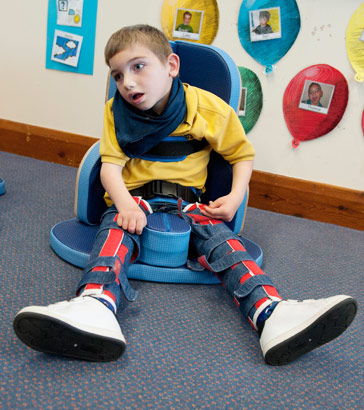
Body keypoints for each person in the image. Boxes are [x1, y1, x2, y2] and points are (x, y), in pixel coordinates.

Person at [13, 24, 357, 366]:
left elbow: (241, 155)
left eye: (138, 67)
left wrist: (235, 197)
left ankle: (271, 313)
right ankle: (95, 304)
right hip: (136, 196)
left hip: (188, 202)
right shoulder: (115, 112)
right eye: (117, 75)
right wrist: (125, 205)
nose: (127, 82)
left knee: (223, 243)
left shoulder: (207, 108)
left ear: (171, 66)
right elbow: (109, 168)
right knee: (115, 230)